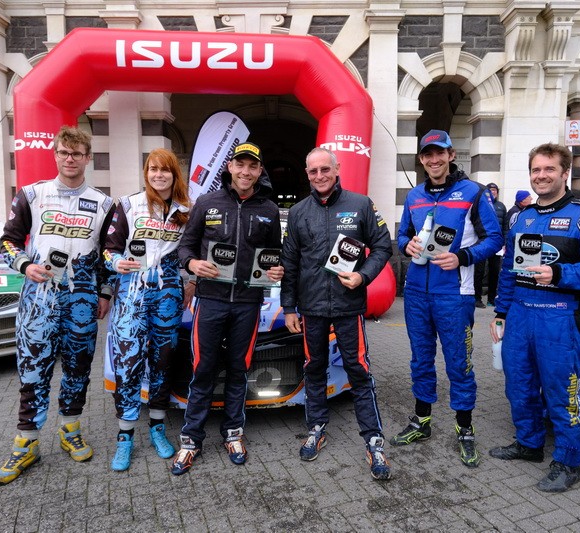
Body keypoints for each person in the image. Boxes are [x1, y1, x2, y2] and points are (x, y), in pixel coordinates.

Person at [488, 142, 580, 492]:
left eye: (549, 169)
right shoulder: (520, 216)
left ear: (565, 173)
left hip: (561, 320)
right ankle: (529, 444)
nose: (541, 176)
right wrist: (501, 312)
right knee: (519, 387)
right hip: (519, 315)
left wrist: (560, 274)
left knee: (563, 393)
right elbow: (507, 270)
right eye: (536, 170)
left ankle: (567, 461)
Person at [0, 126, 115, 484]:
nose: (70, 159)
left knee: (78, 368)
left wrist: (106, 292)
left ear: (87, 158)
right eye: (64, 152)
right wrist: (23, 265)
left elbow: (109, 256)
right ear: (55, 155)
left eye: (77, 153)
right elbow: (8, 241)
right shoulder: (31, 194)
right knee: (33, 368)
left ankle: (70, 430)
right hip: (40, 297)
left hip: (82, 297)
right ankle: (26, 442)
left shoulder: (104, 203)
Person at [280, 147, 394, 480]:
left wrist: (363, 276)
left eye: (325, 170)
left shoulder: (361, 204)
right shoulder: (299, 212)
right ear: (307, 173)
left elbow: (383, 245)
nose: (319, 176)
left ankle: (373, 440)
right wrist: (289, 307)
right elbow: (289, 263)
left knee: (358, 370)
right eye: (313, 171)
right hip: (311, 308)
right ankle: (316, 427)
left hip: (348, 307)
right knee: (313, 367)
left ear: (337, 168)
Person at [392, 129, 503, 468]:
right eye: (427, 154)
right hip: (415, 293)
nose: (434, 159)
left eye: (440, 153)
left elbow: (495, 238)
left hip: (455, 294)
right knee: (420, 360)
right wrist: (406, 245)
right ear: (422, 159)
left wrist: (462, 258)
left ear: (451, 155)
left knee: (459, 363)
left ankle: (465, 428)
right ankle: (421, 421)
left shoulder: (473, 192)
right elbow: (402, 234)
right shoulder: (414, 196)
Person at [172, 142, 284, 475]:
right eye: (240, 165)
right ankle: (191, 440)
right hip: (211, 301)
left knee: (239, 369)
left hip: (248, 304)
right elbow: (185, 248)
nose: (246, 171)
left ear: (259, 171)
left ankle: (233, 433)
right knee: (203, 369)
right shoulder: (207, 203)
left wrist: (277, 271)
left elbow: (273, 254)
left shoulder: (269, 208)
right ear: (230, 167)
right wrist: (192, 263)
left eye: (253, 166)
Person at [102, 148, 194, 471]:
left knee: (163, 360)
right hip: (131, 294)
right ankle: (125, 436)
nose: (159, 175)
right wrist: (116, 261)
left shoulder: (186, 210)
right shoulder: (129, 205)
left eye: (165, 170)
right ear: (147, 173)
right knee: (128, 363)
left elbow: (191, 252)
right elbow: (108, 250)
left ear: (174, 174)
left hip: (168, 294)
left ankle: (157, 427)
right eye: (153, 169)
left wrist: (191, 283)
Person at [485, 183, 508, 306]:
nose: (492, 192)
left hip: (497, 244)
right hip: (482, 243)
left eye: (494, 190)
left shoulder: (501, 206)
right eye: (490, 190)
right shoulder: (482, 204)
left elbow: (505, 225)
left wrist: (504, 241)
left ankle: (491, 298)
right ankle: (476, 298)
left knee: (494, 272)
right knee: (479, 272)